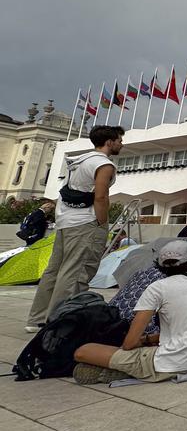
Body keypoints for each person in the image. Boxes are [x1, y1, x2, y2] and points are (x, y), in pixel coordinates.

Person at [72, 240, 187, 384]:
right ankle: (130, 368)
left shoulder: (158, 288)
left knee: (84, 351)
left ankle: (130, 370)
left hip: (177, 363)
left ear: (159, 264)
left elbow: (129, 344)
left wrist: (141, 342)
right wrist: (149, 340)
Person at [26, 125, 123, 333]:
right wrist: (102, 222)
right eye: (119, 140)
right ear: (109, 142)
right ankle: (59, 322)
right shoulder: (104, 165)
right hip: (85, 223)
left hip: (65, 221)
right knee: (76, 273)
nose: (121, 144)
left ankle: (37, 318)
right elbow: (101, 196)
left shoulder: (80, 160)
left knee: (54, 270)